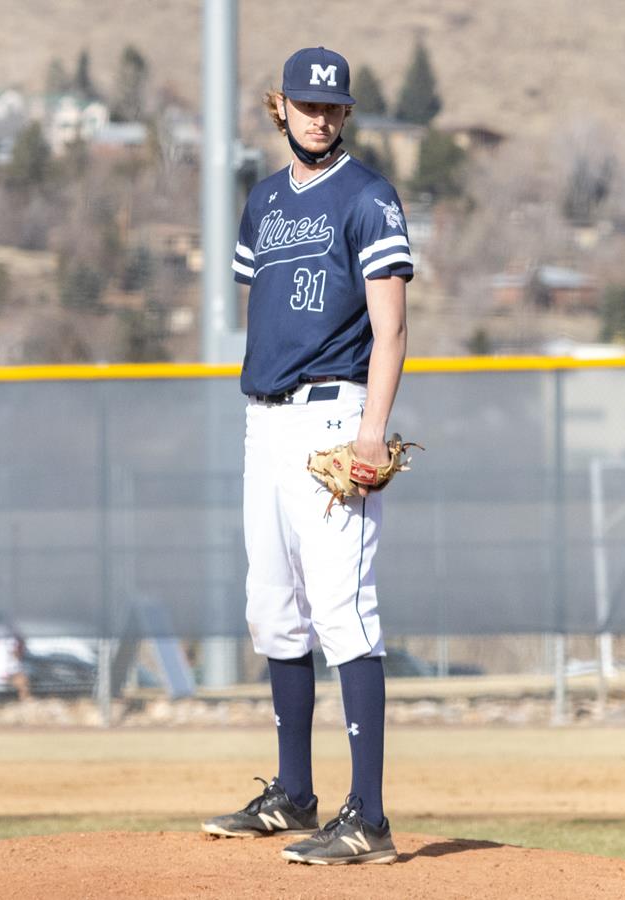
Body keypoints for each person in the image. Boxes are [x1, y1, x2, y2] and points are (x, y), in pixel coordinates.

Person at [201, 46, 411, 866]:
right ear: (279, 107)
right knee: (272, 608)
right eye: (306, 103)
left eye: (333, 105)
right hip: (266, 419)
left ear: (345, 114)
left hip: (336, 414)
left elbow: (391, 327)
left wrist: (371, 429)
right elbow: (269, 315)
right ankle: (293, 793)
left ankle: (369, 815)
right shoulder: (261, 203)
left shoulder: (369, 198)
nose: (320, 116)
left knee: (342, 607)